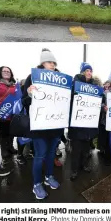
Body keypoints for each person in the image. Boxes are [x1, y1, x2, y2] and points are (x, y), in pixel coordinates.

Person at [22, 49, 63, 200]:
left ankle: (49, 176)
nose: (52, 65)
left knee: (51, 153)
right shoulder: (32, 77)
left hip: (55, 125)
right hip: (39, 125)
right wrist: (30, 93)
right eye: (49, 62)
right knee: (40, 155)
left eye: (54, 63)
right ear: (42, 63)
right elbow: (24, 101)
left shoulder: (60, 78)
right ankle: (37, 184)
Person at [68, 62, 101, 181]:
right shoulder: (74, 84)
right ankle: (74, 170)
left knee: (86, 149)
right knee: (76, 149)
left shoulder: (95, 87)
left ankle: (84, 165)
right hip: (77, 123)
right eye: (87, 70)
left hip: (89, 124)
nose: (89, 73)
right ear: (82, 72)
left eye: (91, 71)